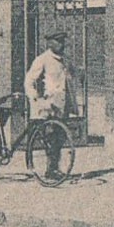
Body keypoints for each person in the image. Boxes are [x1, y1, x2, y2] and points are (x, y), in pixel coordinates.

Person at [24, 30, 75, 180]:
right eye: (58, 41)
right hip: (47, 106)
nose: (61, 44)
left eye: (62, 41)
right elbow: (29, 81)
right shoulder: (42, 60)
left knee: (60, 138)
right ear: (50, 43)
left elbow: (70, 76)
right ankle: (51, 170)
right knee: (51, 138)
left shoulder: (65, 60)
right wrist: (35, 97)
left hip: (61, 105)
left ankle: (53, 169)